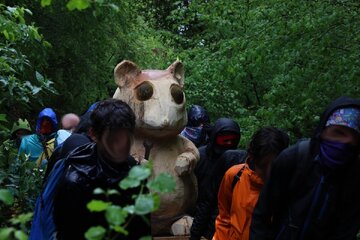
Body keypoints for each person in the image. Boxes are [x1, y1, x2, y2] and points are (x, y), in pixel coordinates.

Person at [250, 96, 360, 240]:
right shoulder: (294, 158)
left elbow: (346, 231)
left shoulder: (355, 178)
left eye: (355, 137)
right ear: (323, 130)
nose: (346, 142)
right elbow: (262, 215)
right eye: (338, 132)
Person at [53, 99, 149, 239]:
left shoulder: (134, 172)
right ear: (93, 134)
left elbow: (143, 227)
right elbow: (67, 232)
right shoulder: (75, 180)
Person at [213, 127, 289, 240]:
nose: (269, 173)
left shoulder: (288, 186)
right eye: (263, 167)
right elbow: (224, 217)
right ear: (253, 158)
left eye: (274, 166)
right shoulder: (234, 175)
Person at [191, 118, 241, 240]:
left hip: (222, 217)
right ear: (214, 137)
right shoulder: (200, 156)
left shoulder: (236, 159)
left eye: (232, 140)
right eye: (224, 140)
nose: (229, 143)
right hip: (195, 210)